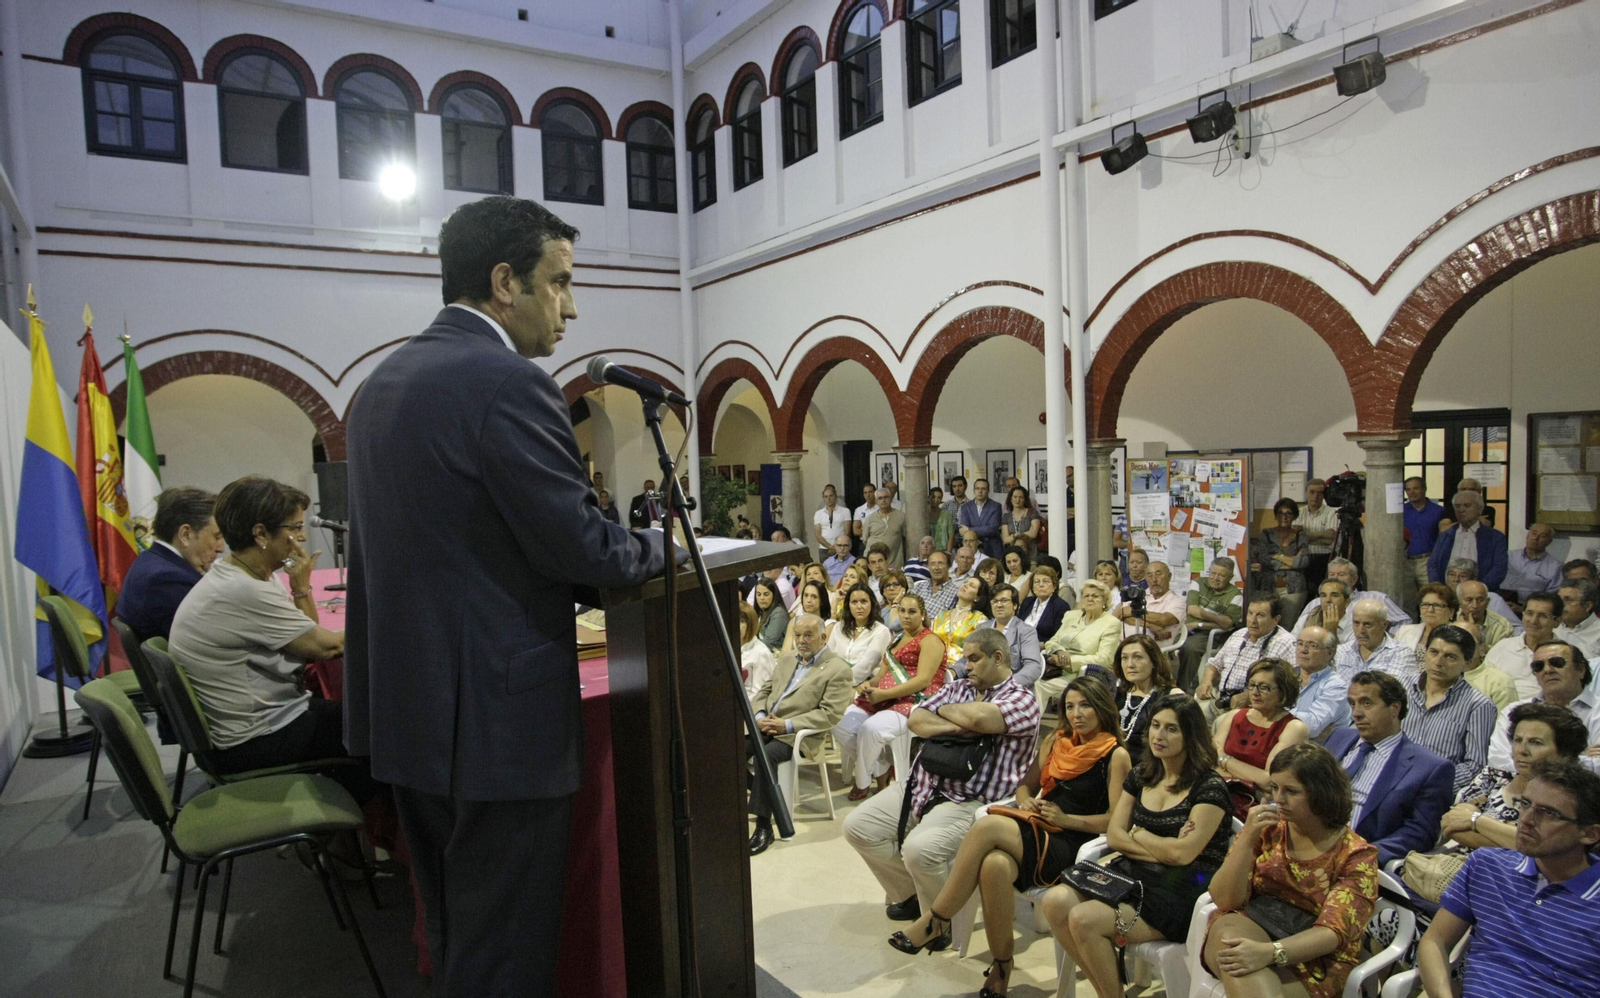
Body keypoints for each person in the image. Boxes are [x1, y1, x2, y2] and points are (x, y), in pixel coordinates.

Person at [342, 199, 673, 996]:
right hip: (495, 727)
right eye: (558, 283)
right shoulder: (508, 384)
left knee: (460, 931)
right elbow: (584, 548)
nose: (573, 305)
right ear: (503, 283)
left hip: (412, 712)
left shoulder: (382, 381)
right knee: (509, 952)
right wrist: (666, 547)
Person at [888, 675, 1127, 996]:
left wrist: (1067, 819)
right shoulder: (1057, 741)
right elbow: (1025, 784)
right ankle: (1001, 967)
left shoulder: (1115, 755)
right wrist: (1027, 798)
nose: (1076, 714)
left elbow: (1115, 822)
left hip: (1072, 844)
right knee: (993, 866)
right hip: (1038, 825)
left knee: (987, 825)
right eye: (1069, 706)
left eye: (1085, 705)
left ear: (1101, 706)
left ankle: (938, 919)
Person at [1042, 694, 1233, 998]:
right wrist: (1160, 846)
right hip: (1132, 873)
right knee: (1054, 901)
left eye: (1172, 729)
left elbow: (1184, 855)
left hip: (1181, 888)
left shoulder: (1209, 787)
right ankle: (1109, 991)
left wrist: (1140, 835)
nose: (1159, 735)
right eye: (1155, 725)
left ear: (1191, 735)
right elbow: (1116, 836)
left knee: (1083, 919)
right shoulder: (1144, 773)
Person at [846, 627, 1038, 928]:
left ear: (998, 657)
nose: (967, 665)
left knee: (919, 850)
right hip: (923, 784)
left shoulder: (1023, 699)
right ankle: (912, 895)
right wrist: (959, 725)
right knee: (857, 827)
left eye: (974, 659)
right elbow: (918, 719)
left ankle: (940, 923)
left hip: (970, 800)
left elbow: (980, 718)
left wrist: (950, 714)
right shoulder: (959, 688)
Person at [172, 476, 355, 781]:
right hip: (254, 738)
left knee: (367, 720)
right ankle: (360, 818)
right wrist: (390, 623)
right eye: (295, 528)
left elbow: (309, 638)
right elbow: (328, 648)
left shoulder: (242, 573)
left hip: (258, 721)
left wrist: (300, 587)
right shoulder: (243, 590)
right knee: (381, 730)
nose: (302, 538)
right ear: (261, 533)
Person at [1200, 743, 1379, 998]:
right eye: (1274, 788)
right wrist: (1247, 838)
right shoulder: (1268, 828)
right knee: (1231, 939)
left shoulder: (1356, 855)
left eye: (1291, 791)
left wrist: (1269, 953)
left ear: (1321, 794)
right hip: (1255, 924)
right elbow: (1225, 899)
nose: (1278, 799)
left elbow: (1331, 934)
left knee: (1239, 965)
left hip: (1316, 956)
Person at [1417, 761, 1600, 998]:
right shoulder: (1487, 866)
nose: (1526, 819)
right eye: (1525, 804)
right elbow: (1435, 941)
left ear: (1589, 834)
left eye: (1547, 813)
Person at [747, 614, 854, 854]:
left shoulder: (838, 669)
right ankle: (763, 792)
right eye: (797, 635)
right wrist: (759, 715)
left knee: (766, 757)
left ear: (823, 637)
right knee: (731, 748)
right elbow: (764, 691)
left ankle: (764, 828)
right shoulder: (786, 660)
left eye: (808, 635)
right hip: (767, 724)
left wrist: (787, 724)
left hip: (798, 735)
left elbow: (830, 715)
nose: (801, 641)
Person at [1324, 671, 1453, 864]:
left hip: (1356, 860)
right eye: (1352, 703)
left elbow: (1419, 834)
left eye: (1366, 703)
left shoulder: (1430, 768)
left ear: (1394, 708)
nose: (1356, 713)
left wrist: (1363, 855)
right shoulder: (1339, 738)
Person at [1436, 703, 1587, 860]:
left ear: (1564, 752)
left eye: (1536, 742)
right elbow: (1452, 824)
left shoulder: (1572, 796)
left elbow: (1547, 846)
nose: (1522, 750)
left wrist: (1477, 821)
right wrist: (1514, 839)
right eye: (1518, 740)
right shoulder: (1493, 777)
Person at [837, 593, 949, 800]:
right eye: (903, 611)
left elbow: (923, 680)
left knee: (870, 729)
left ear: (922, 614)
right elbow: (880, 676)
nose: (906, 616)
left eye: (912, 611)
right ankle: (881, 768)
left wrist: (884, 694)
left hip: (914, 702)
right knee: (840, 725)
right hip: (883, 698)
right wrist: (867, 685)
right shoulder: (896, 638)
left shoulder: (930, 640)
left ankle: (861, 782)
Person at [116, 485, 224, 642]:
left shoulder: (150, 561)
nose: (221, 547)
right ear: (185, 535)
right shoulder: (167, 580)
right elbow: (216, 638)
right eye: (217, 536)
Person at [1401, 625, 1497, 790]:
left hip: (1433, 790)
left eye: (1450, 657)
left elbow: (1475, 766)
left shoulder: (1478, 705)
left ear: (1466, 663)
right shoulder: (1402, 686)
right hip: (1390, 776)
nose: (1438, 662)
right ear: (1425, 652)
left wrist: (1429, 782)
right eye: (1433, 652)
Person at [1214, 658, 1311, 818]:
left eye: (1264, 687)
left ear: (1283, 691)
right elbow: (1210, 758)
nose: (1254, 692)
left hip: (1255, 803)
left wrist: (1224, 760)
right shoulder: (1234, 716)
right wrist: (1247, 773)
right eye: (1252, 685)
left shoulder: (1293, 728)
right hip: (1218, 789)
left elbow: (1269, 780)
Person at [1486, 639, 1599, 773]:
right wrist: (1577, 759)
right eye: (1538, 666)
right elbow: (1497, 763)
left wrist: (1529, 765)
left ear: (1581, 670)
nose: (1547, 670)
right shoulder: (1514, 711)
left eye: (1557, 663)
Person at [1198, 596, 1297, 718]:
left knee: (1222, 725)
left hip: (1255, 710)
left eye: (1260, 615)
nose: (1252, 620)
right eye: (1250, 613)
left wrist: (1249, 696)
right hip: (1222, 700)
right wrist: (1206, 682)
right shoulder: (1238, 634)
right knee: (1189, 718)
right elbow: (1215, 664)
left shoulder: (1286, 643)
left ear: (1276, 619)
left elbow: (1291, 684)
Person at [1036, 580, 1122, 715]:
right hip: (1055, 670)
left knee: (1038, 686)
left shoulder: (1111, 623)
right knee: (1029, 680)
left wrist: (1068, 660)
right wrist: (1059, 650)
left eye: (1095, 596)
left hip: (1087, 675)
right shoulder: (1071, 616)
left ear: (1104, 601)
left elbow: (1104, 659)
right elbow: (1052, 641)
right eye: (1086, 596)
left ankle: (1030, 729)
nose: (1090, 599)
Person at [1290, 557, 1410, 638]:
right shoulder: (1315, 603)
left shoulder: (1376, 598)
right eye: (1332, 574)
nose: (1335, 578)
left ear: (1354, 579)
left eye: (1341, 574)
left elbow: (1404, 622)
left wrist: (1384, 638)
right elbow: (1296, 635)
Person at [1113, 634, 1184, 760]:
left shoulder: (1172, 696)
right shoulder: (1114, 694)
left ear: (1153, 662)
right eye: (1124, 658)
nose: (1130, 664)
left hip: (1152, 765)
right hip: (1114, 762)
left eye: (1138, 657)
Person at [960, 583, 1043, 688]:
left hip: (1011, 689)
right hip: (980, 686)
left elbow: (1033, 667)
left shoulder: (1026, 631)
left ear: (1015, 605)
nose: (998, 605)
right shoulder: (982, 628)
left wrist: (1007, 685)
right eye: (994, 601)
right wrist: (953, 672)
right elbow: (966, 659)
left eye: (1004, 601)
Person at [1179, 557, 1244, 691]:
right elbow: (1192, 609)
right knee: (1162, 643)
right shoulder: (1198, 583)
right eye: (1213, 573)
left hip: (1209, 634)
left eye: (1221, 575)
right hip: (1186, 629)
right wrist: (1217, 618)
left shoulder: (1235, 595)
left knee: (1190, 648)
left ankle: (1182, 689)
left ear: (1230, 577)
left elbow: (1228, 624)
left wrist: (1199, 623)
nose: (1215, 578)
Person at [1485, 591, 1563, 698]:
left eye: (1543, 616)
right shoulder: (1502, 647)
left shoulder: (1565, 654)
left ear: (1557, 621)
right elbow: (1484, 685)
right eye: (1529, 613)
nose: (1534, 621)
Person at [1428, 490, 1508, 591]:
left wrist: (1477, 589)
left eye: (1467, 505)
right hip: (1447, 593)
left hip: (1482, 593)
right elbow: (1433, 563)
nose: (1461, 510)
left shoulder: (1495, 537)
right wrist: (1438, 587)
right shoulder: (1445, 535)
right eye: (1457, 506)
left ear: (1480, 509)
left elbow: (1499, 569)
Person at [1332, 598, 1418, 684]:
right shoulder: (1340, 652)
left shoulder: (1401, 653)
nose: (1361, 630)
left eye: (1368, 624)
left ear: (1384, 625)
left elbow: (1391, 691)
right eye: (1356, 623)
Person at [1254, 497, 1311, 625]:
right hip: (1268, 586)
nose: (1284, 517)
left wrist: (1276, 556)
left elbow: (1304, 561)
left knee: (1288, 626)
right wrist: (1291, 562)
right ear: (1275, 515)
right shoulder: (1267, 534)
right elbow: (1263, 558)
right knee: (1266, 624)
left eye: (1288, 513)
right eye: (1280, 513)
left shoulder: (1300, 536)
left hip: (1294, 589)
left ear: (1295, 516)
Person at [826, 583, 893, 685]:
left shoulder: (881, 631)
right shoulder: (839, 627)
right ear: (848, 605)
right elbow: (827, 658)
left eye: (864, 601)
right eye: (854, 602)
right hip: (832, 681)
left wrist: (837, 682)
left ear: (872, 603)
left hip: (863, 685)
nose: (859, 606)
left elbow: (865, 667)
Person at [1293, 626, 1350, 741]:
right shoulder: (1287, 676)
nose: (1303, 650)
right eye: (1300, 643)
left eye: (1312, 645)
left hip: (1311, 753)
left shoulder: (1336, 687)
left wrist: (1274, 710)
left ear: (1330, 653)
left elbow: (1311, 727)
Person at [1452, 618, 1521, 711]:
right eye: (1451, 642)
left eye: (1467, 642)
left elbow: (1505, 724)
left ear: (1482, 649)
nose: (1456, 648)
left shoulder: (1499, 683)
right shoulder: (1432, 675)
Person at [1115, 560, 1185, 644]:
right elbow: (1121, 615)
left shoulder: (1177, 601)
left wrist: (1131, 611)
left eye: (1158, 574)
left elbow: (1163, 619)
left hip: (1150, 649)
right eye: (1149, 575)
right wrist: (1150, 625)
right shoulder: (1140, 594)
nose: (1154, 579)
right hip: (1121, 643)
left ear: (1169, 576)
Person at [1402, 476, 1446, 609]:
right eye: (1408, 489)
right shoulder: (1401, 511)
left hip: (1426, 560)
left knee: (1430, 597)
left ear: (1424, 489)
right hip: (1405, 561)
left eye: (1415, 488)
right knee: (1408, 601)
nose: (1411, 492)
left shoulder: (1438, 511)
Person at [1394, 581, 1458, 667]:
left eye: (1437, 605)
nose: (1430, 610)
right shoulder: (1404, 631)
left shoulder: (1457, 635)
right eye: (1425, 605)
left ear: (1451, 611)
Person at [931, 577, 989, 669]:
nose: (965, 585)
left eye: (971, 585)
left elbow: (977, 652)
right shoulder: (941, 615)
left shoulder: (979, 619)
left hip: (959, 669)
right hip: (931, 663)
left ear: (977, 597)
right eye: (965, 582)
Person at [1294, 477, 1341, 593]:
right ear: (1306, 493)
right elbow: (1294, 538)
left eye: (1320, 493)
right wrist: (1322, 534)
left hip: (1324, 558)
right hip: (1303, 558)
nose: (1316, 496)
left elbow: (1330, 539)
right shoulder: (1298, 512)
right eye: (1312, 492)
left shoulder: (1332, 512)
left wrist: (1304, 536)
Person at [1502, 522, 1562, 610]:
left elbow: (1551, 599)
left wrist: (1524, 609)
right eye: (1534, 533)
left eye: (1542, 536)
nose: (1536, 538)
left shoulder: (1555, 567)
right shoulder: (1507, 556)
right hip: (1499, 602)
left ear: (1549, 542)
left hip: (1528, 609)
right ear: (1528, 535)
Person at [1446, 558, 1519, 625]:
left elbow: (1517, 627)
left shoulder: (1493, 599)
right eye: (1452, 574)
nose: (1456, 579)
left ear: (1474, 578)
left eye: (1462, 576)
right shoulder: (1441, 597)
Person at [1456, 579, 1515, 652]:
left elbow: (1503, 656)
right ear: (1459, 602)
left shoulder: (1503, 627)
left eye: (1480, 600)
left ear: (1487, 602)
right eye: (1469, 600)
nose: (1475, 606)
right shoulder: (1451, 619)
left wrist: (1474, 633)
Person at [1018, 564, 1071, 643]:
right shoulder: (1027, 602)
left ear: (1054, 586)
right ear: (1032, 587)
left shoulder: (1061, 606)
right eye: (1037, 582)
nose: (1041, 585)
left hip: (1043, 649)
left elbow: (1057, 637)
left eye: (1046, 581)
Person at [780, 580, 834, 652]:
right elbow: (785, 651)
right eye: (806, 595)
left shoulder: (829, 625)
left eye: (814, 597)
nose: (808, 600)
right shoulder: (794, 622)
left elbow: (821, 653)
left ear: (822, 600)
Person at [739, 601, 777, 701]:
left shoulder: (761, 653)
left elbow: (760, 694)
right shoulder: (729, 648)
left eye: (741, 621)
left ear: (750, 624)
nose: (736, 625)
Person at [958, 478, 1003, 559]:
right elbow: (963, 529)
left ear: (988, 491)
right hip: (972, 549)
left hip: (992, 549)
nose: (980, 491)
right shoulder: (966, 507)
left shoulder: (996, 506)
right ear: (974, 490)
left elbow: (992, 528)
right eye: (977, 488)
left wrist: (969, 529)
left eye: (983, 489)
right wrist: (971, 530)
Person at [861, 488, 908, 568]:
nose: (883, 500)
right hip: (873, 563)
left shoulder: (901, 516)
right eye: (880, 498)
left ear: (891, 499)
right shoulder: (870, 519)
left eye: (886, 497)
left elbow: (906, 536)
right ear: (876, 501)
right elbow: (864, 539)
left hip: (894, 562)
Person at [1557, 580, 1600, 658]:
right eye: (1559, 599)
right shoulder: (1550, 625)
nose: (1560, 604)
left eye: (1568, 600)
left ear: (1587, 606)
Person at [752, 578, 789, 652]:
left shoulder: (779, 613)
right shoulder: (760, 612)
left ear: (774, 595)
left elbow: (768, 642)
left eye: (766, 594)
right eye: (758, 594)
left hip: (775, 656)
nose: (761, 598)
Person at [1000, 485, 1040, 554]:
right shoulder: (1006, 516)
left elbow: (1033, 534)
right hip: (1012, 553)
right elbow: (1005, 539)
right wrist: (1025, 534)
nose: (1017, 500)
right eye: (1015, 497)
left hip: (1030, 552)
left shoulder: (1032, 513)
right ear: (1011, 499)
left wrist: (1014, 535)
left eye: (1021, 497)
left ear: (1025, 499)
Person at [813, 484, 850, 558]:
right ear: (823, 499)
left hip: (841, 548)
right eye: (826, 497)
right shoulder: (818, 514)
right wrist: (830, 547)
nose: (828, 499)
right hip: (824, 549)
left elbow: (847, 532)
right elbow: (818, 535)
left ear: (835, 497)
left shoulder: (845, 511)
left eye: (831, 496)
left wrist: (837, 547)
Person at [877, 570, 909, 635]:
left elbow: (895, 625)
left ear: (904, 588)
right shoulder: (878, 612)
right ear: (883, 592)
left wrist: (896, 602)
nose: (891, 588)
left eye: (896, 584)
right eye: (887, 585)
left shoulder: (910, 607)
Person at [928, 487, 956, 554]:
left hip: (944, 551)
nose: (936, 500)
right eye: (933, 497)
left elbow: (951, 536)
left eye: (939, 497)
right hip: (929, 552)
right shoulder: (924, 515)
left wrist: (948, 553)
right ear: (929, 497)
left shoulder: (947, 514)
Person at [851, 481, 878, 547]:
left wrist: (864, 529)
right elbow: (856, 531)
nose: (868, 495)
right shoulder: (859, 510)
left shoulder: (881, 508)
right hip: (864, 543)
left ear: (875, 493)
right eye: (865, 493)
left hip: (878, 542)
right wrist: (875, 531)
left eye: (870, 492)